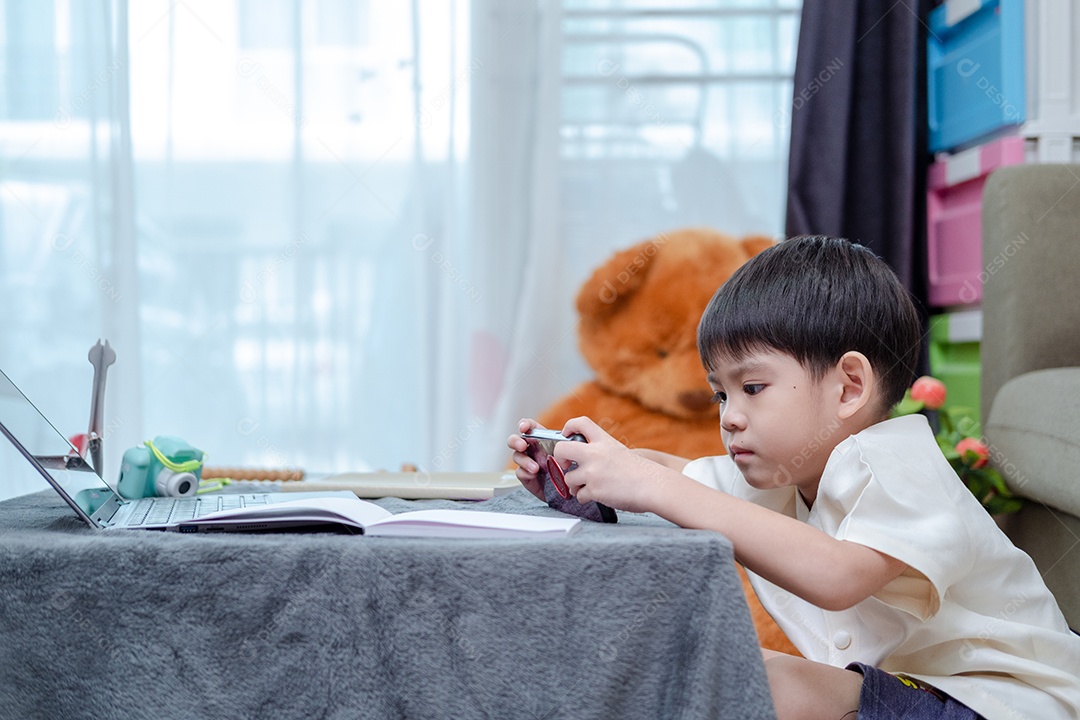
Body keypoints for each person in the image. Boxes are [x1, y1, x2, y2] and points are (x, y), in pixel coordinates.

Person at [507, 236, 1080, 720]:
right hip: (913, 693)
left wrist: (653, 485)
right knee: (737, 667)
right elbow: (675, 474)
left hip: (1004, 704)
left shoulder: (897, 466)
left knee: (764, 679)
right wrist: (583, 466)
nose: (729, 415)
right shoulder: (785, 471)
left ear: (849, 387)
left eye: (752, 388)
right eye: (720, 393)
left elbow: (838, 574)